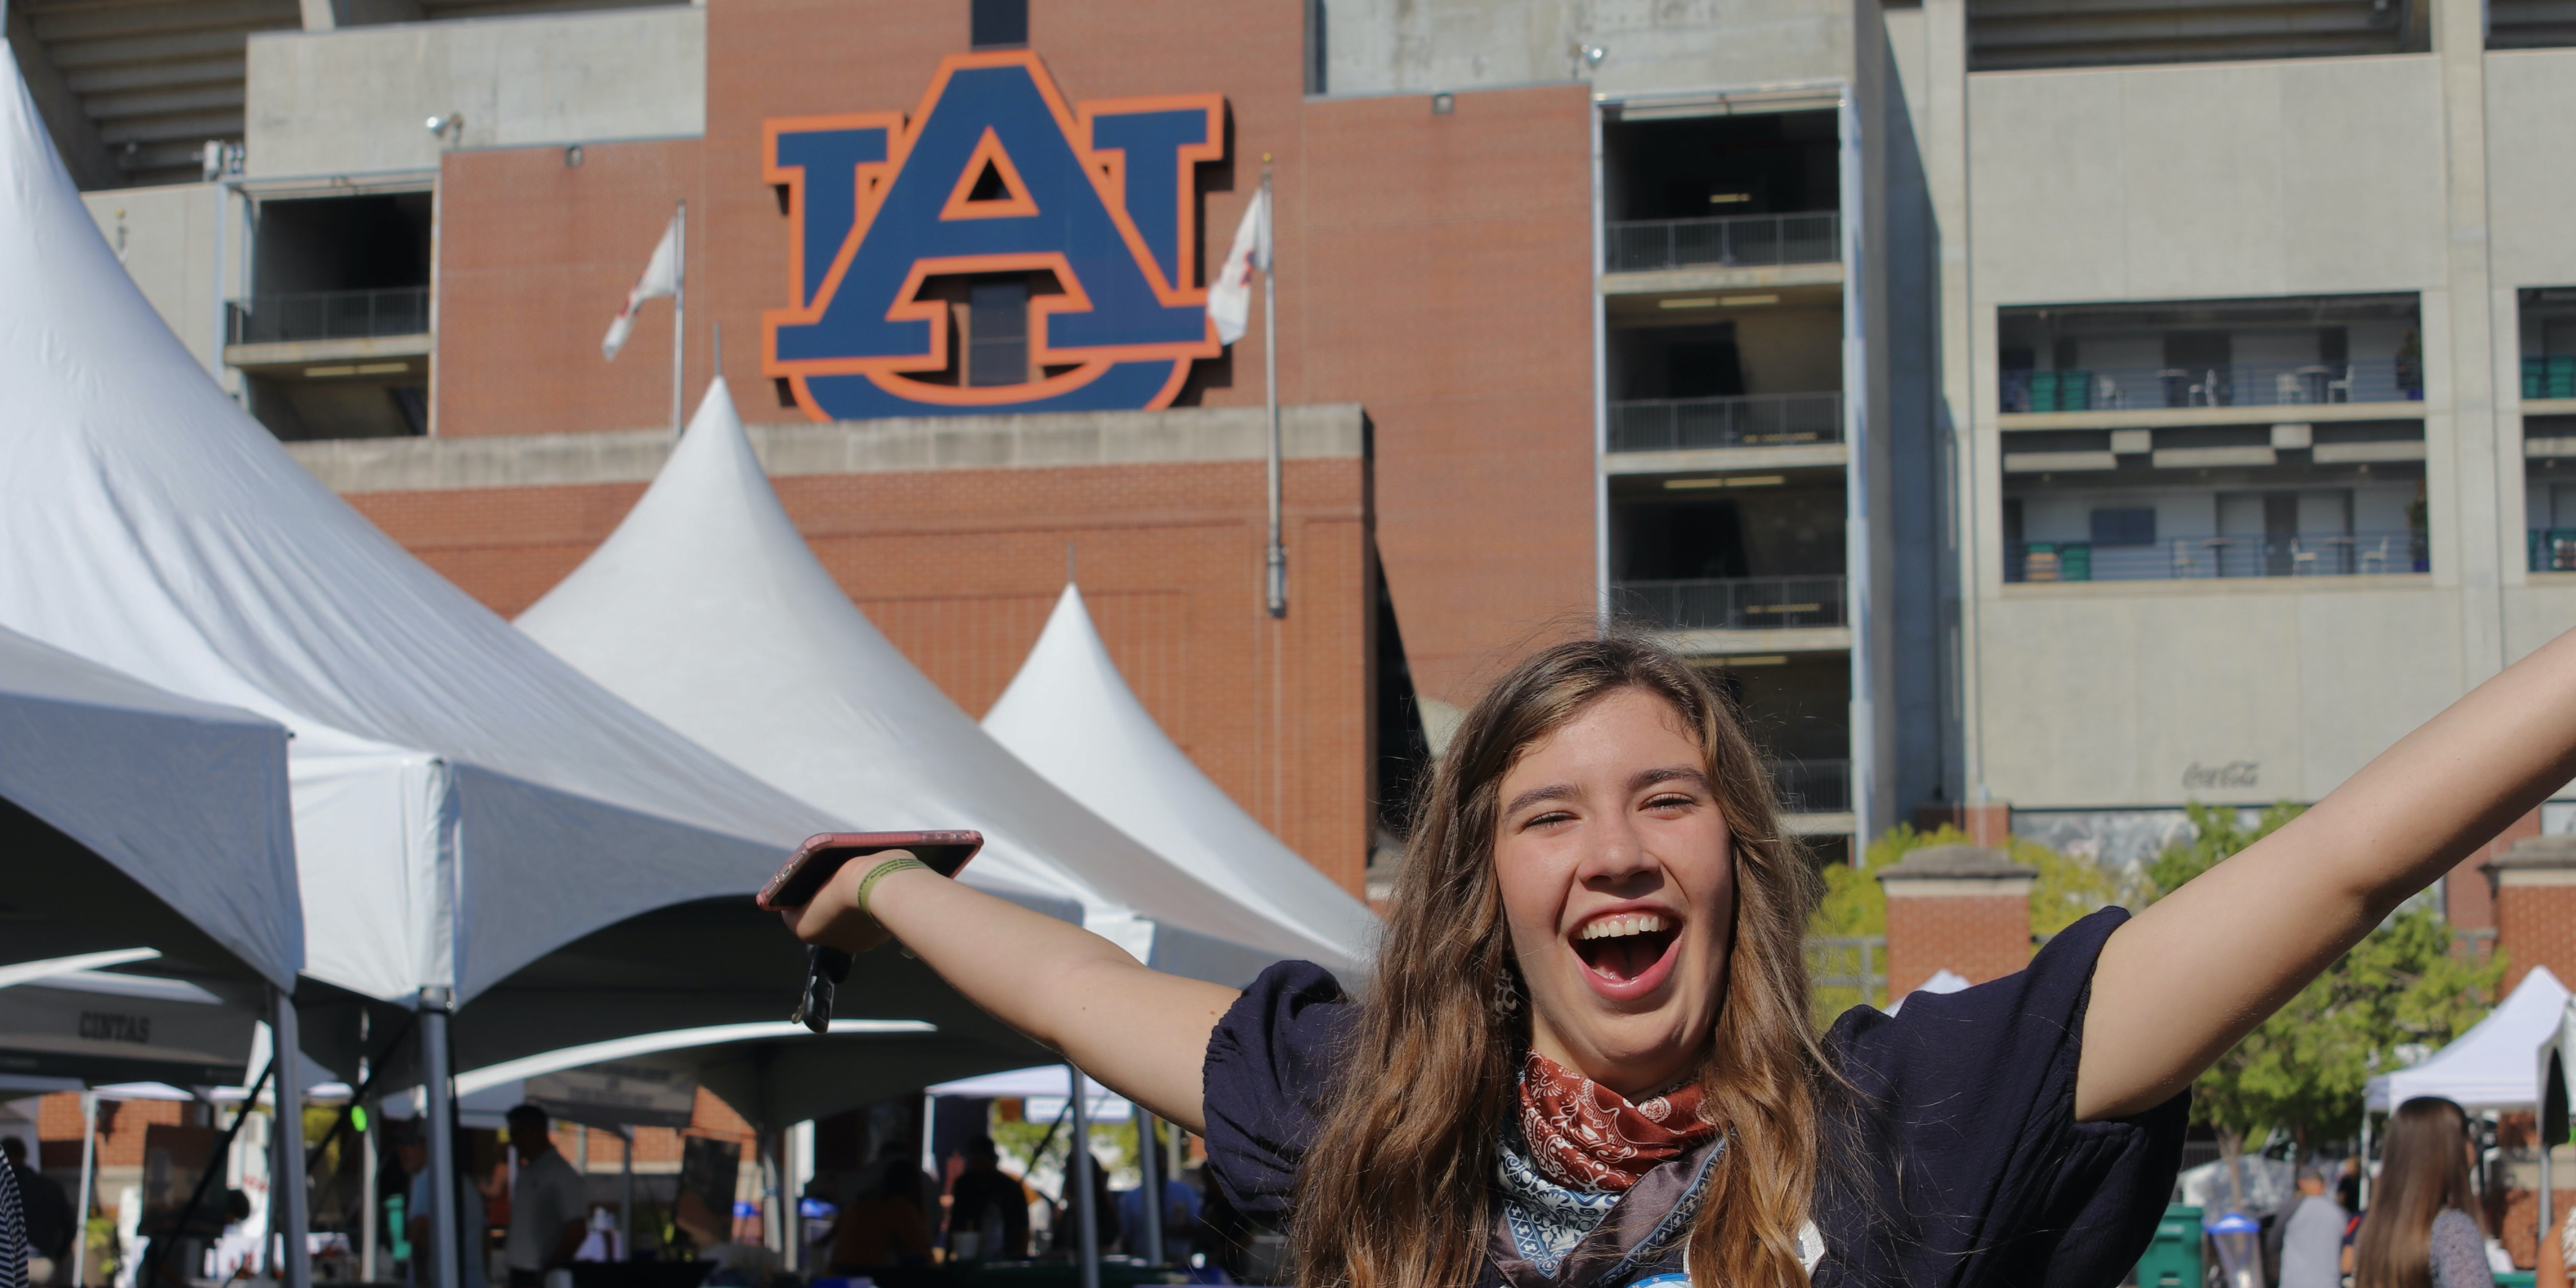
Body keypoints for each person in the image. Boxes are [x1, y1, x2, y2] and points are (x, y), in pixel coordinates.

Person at [783, 631, 2576, 1286]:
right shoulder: (1377, 1118)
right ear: (1487, 891)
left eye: (1667, 800)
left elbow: (2340, 865)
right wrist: (876, 897)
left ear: (1736, 860)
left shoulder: (1913, 1118)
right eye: (1551, 815)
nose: (1620, 850)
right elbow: (1083, 998)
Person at [2356, 1098, 2497, 1288]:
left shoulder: (2376, 1231)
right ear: (2449, 1148)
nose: (2472, 1148)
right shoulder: (2452, 1229)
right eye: (2466, 1135)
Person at [501, 1106, 589, 1288]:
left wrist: (550, 1266)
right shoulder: (529, 1171)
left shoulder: (561, 1173)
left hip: (538, 1274)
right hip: (521, 1271)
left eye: (517, 1133)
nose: (514, 1141)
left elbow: (577, 1230)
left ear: (535, 1131)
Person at [826, 1154, 932, 1269]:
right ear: (915, 1186)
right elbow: (924, 1256)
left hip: (837, 1277)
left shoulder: (857, 1207)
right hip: (869, 1279)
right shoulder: (900, 1209)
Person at [944, 1137, 1030, 1260]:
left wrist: (1020, 1257)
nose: (977, 1165)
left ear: (993, 1160)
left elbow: (1023, 1228)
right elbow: (955, 1222)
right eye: (975, 1160)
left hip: (1006, 1256)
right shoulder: (964, 1185)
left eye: (981, 1160)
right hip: (971, 1257)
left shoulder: (1010, 1187)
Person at [0, 1140, 68, 1285]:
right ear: (24, 1155)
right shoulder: (50, 1187)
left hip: (10, 1264)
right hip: (44, 1263)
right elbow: (70, 1226)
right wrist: (56, 1254)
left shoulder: (6, 1189)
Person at [2279, 1162, 2349, 1288]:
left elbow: (2273, 1242)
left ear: (2301, 1183)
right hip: (2329, 1283)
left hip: (2294, 1283)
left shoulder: (2292, 1208)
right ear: (2324, 1184)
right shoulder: (2340, 1213)